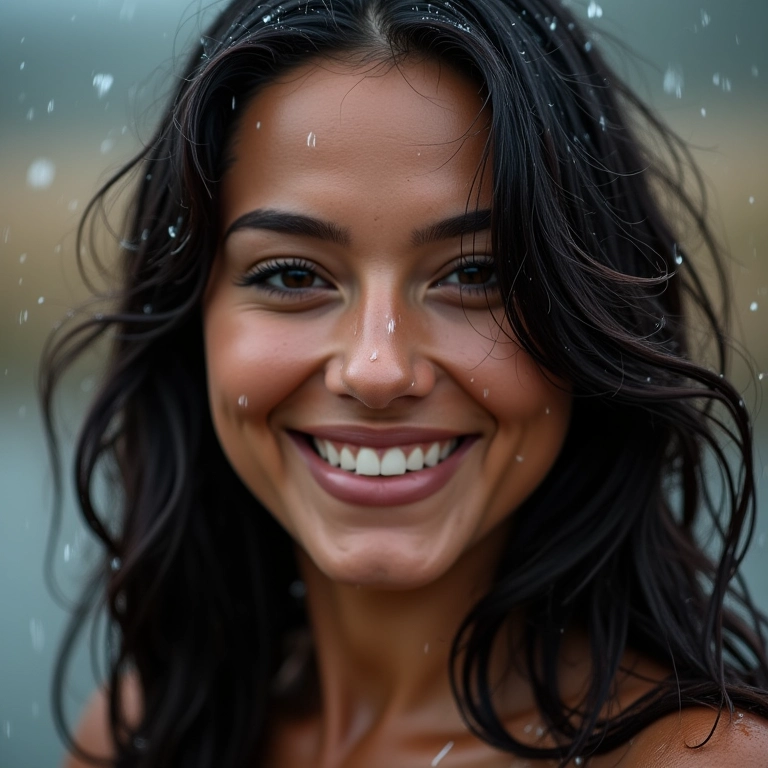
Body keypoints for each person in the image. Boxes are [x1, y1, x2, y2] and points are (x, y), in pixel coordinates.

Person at [41, 0, 768, 765]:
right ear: (196, 322)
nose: (377, 369)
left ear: (589, 317)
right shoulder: (137, 735)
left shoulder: (704, 757)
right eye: (293, 274)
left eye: (475, 273)